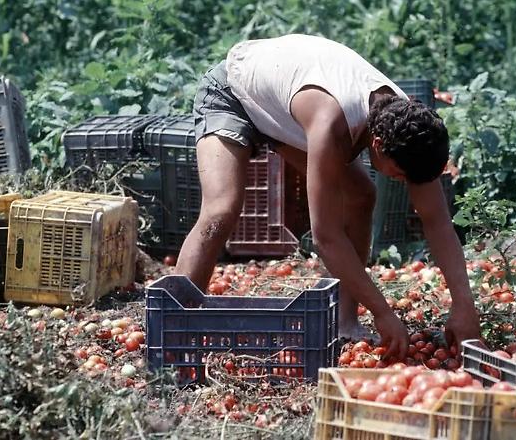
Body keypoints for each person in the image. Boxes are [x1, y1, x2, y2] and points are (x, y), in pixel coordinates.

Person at [175, 34, 482, 359]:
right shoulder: (331, 123)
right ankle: (173, 323)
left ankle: (344, 321)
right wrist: (383, 312)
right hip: (233, 91)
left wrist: (464, 305)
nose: (403, 182)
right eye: (400, 174)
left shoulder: (410, 129)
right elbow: (326, 236)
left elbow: (437, 222)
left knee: (361, 195)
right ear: (377, 145)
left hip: (282, 102)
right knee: (221, 209)